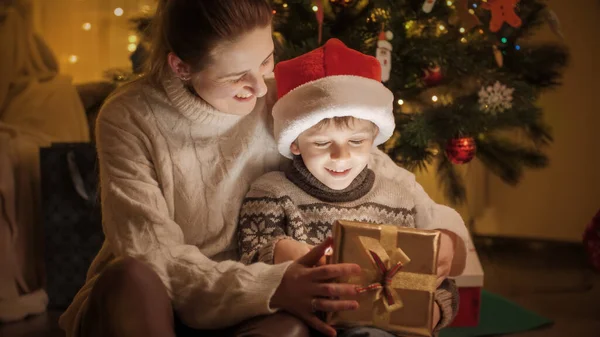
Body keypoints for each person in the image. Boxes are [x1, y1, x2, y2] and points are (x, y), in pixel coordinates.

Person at [58, 1, 365, 337]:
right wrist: (270, 287)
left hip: (254, 301)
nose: (262, 87)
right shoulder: (128, 117)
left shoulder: (281, 97)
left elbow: (364, 160)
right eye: (237, 76)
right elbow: (152, 256)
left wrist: (434, 227)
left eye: (265, 60)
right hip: (153, 299)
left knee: (290, 328)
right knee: (132, 277)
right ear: (181, 67)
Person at [238, 39, 469, 336]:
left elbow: (431, 282)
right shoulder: (271, 193)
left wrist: (432, 311)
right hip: (300, 320)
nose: (341, 156)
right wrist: (282, 253)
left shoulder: (396, 199)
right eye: (322, 143)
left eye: (356, 142)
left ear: (373, 139)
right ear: (294, 142)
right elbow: (247, 267)